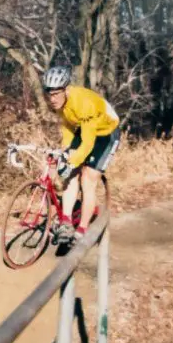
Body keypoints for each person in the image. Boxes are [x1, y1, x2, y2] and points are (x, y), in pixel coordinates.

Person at [41, 66, 121, 243]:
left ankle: (82, 229)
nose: (52, 99)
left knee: (87, 179)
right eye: (49, 94)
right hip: (84, 130)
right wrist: (65, 153)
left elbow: (88, 143)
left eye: (56, 94)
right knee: (70, 174)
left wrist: (72, 160)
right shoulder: (60, 103)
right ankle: (66, 222)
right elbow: (68, 127)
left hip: (106, 134)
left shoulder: (83, 103)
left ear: (67, 90)